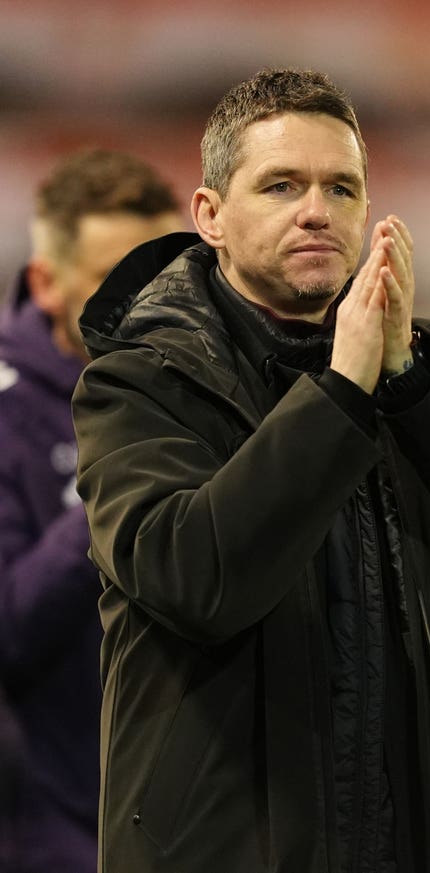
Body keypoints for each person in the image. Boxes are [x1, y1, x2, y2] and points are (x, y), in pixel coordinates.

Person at [71, 70, 430, 873]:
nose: (317, 209)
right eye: (281, 185)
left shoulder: (412, 368)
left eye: (342, 187)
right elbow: (197, 577)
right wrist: (341, 393)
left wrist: (411, 373)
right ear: (210, 216)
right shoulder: (138, 383)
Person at [0, 148, 183, 873]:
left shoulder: (195, 385)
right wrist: (114, 486)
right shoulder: (8, 414)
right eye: (115, 280)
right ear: (46, 282)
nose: (150, 303)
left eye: (166, 275)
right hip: (51, 827)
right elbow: (8, 628)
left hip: (187, 810)